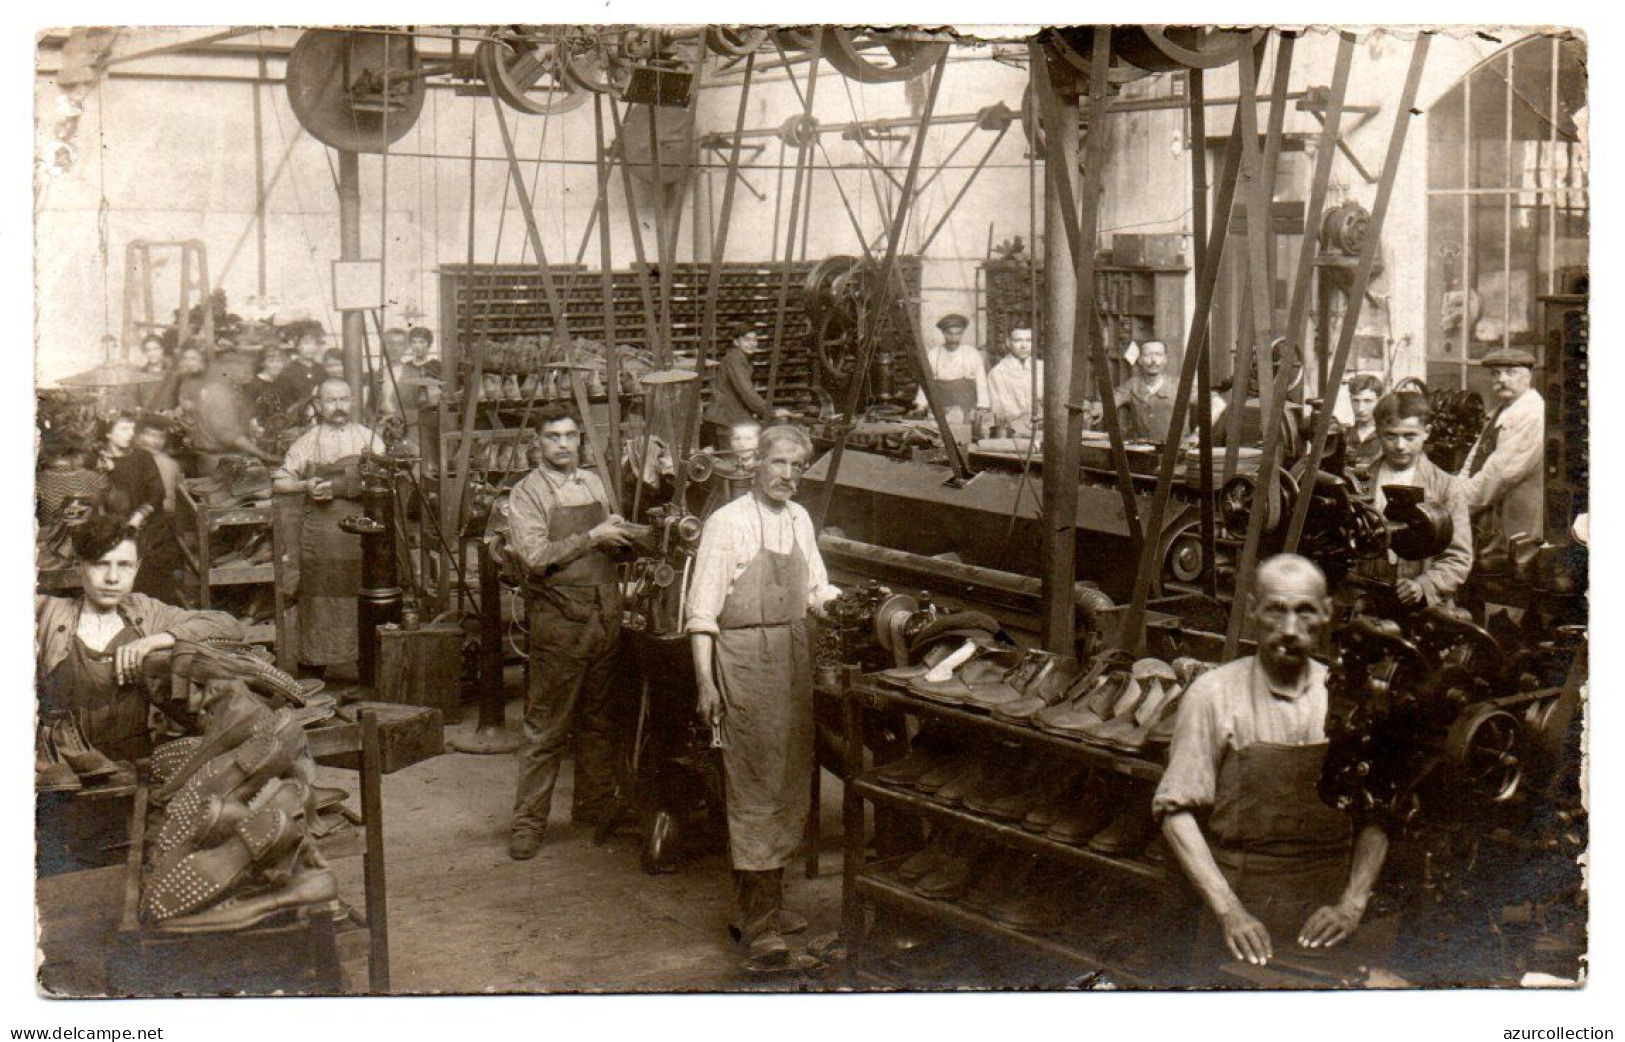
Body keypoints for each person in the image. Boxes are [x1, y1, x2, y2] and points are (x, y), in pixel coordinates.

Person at [1154, 554, 1389, 977]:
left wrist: (1352, 904)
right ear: (1251, 611)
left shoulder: (1356, 699)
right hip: (1241, 903)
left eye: (1304, 612)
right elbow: (1176, 813)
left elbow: (1380, 812)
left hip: (1328, 911)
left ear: (1327, 614)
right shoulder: (1213, 695)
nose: (1289, 629)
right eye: (1275, 610)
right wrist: (1230, 911)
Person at [687, 424, 840, 971]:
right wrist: (706, 683)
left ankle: (770, 903)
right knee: (753, 783)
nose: (788, 476)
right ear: (756, 465)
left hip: (794, 655)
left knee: (788, 780)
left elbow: (817, 587)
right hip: (746, 658)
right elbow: (702, 614)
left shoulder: (799, 520)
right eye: (779, 463)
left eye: (798, 468)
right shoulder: (725, 524)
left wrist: (839, 604)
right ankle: (757, 925)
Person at [501, 403, 640, 860]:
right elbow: (536, 557)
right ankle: (527, 824)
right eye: (553, 437)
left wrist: (627, 542)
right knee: (546, 728)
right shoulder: (527, 493)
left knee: (600, 720)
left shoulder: (592, 482)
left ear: (580, 440)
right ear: (537, 444)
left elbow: (605, 544)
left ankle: (595, 806)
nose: (564, 445)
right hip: (560, 621)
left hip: (604, 615)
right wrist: (594, 537)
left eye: (570, 436)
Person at [36, 514, 242, 764]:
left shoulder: (145, 612)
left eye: (124, 565)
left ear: (137, 568)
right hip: (64, 767)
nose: (113, 577)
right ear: (80, 565)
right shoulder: (48, 613)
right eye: (101, 564)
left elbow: (227, 624)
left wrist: (154, 641)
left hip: (135, 763)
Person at [272, 379, 386, 679]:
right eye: (331, 401)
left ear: (352, 402)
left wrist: (346, 485)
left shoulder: (369, 438)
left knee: (361, 598)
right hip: (322, 537)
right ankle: (314, 666)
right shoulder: (308, 441)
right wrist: (306, 485)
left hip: (361, 536)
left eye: (344, 399)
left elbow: (385, 482)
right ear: (319, 406)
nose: (338, 407)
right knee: (320, 599)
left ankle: (367, 666)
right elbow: (280, 482)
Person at [1356, 391, 1473, 608]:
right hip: (1368, 604)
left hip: (1424, 608)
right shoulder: (1360, 482)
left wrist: (1424, 586)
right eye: (1390, 436)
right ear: (1378, 433)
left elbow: (1458, 557)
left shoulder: (1446, 486)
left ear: (1426, 432)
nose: (1400, 445)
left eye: (1410, 436)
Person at [1460, 347, 1545, 569]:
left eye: (1510, 372)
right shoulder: (1503, 409)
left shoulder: (1531, 413)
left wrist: (1457, 504)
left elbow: (1501, 473)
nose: (1502, 379)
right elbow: (1476, 457)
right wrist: (1458, 488)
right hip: (1495, 522)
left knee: (1512, 582)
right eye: (1496, 374)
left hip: (1518, 524)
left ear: (1528, 376)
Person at [98, 410, 184, 605]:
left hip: (149, 529)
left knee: (151, 580)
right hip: (113, 528)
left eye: (131, 429)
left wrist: (138, 516)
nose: (129, 433)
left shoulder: (142, 457)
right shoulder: (98, 461)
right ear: (108, 433)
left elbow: (157, 492)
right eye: (123, 428)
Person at [704, 323, 773, 450]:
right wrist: (769, 412)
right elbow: (747, 391)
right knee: (732, 462)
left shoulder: (742, 358)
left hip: (729, 417)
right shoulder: (734, 359)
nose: (751, 344)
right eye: (746, 340)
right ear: (736, 342)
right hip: (725, 420)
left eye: (754, 340)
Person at [912, 313, 989, 426]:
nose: (954, 338)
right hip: (940, 414)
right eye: (950, 334)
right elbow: (926, 384)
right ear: (943, 333)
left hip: (966, 414)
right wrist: (920, 406)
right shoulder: (934, 354)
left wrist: (983, 407)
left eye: (958, 334)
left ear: (962, 333)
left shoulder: (971, 354)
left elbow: (981, 384)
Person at [1113, 339, 1177, 443]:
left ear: (1166, 359)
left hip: (1176, 454)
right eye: (1147, 355)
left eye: (1159, 355)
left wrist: (1197, 434)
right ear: (1140, 360)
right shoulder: (1132, 385)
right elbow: (1109, 402)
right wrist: (1097, 408)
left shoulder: (1178, 385)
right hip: (1141, 453)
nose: (1154, 360)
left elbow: (1213, 402)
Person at [985, 325, 1043, 435]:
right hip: (1012, 431)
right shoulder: (998, 372)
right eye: (1018, 341)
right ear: (1008, 343)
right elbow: (1002, 411)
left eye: (1028, 340)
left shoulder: (1041, 368)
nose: (1024, 346)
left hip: (1041, 428)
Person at [274, 328, 327, 426]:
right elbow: (282, 406)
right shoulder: (287, 372)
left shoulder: (321, 370)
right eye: (306, 344)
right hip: (296, 423)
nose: (311, 348)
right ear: (297, 345)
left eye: (314, 344)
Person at [143, 341, 208, 415]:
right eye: (185, 358)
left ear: (202, 360)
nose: (188, 362)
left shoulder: (204, 382)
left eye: (193, 359)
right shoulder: (181, 378)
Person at [1345, 374, 1385, 475]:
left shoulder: (1388, 436)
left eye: (1367, 401)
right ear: (1350, 400)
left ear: (1379, 401)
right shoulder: (1344, 435)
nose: (1360, 408)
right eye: (1356, 401)